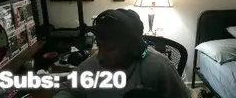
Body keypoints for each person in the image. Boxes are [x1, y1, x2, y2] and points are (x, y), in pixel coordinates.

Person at [53, 9, 189, 98]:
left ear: (133, 47)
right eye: (100, 47)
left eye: (111, 49)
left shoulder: (158, 66)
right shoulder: (92, 65)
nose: (101, 56)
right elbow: (68, 89)